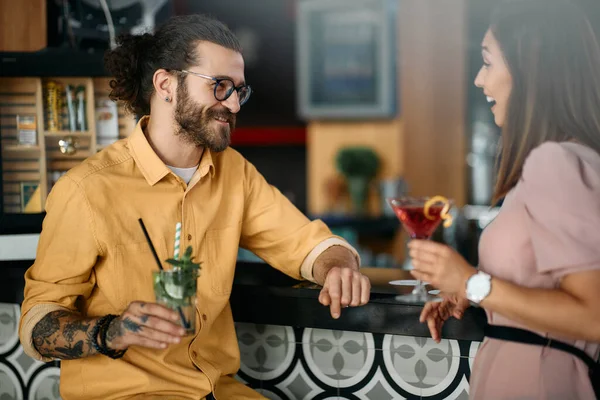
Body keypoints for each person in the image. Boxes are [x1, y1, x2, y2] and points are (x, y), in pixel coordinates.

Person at [18, 14, 371, 400]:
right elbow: (39, 326)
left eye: (239, 90)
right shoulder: (86, 190)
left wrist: (337, 266)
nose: (234, 104)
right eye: (220, 87)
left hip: (219, 391)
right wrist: (112, 331)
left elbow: (307, 245)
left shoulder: (234, 173)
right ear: (166, 84)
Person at [408, 0, 600, 398]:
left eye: (488, 62)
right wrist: (470, 293)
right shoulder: (569, 159)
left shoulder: (555, 162)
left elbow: (594, 315)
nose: (480, 80)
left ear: (531, 70)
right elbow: (541, 284)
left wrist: (472, 282)